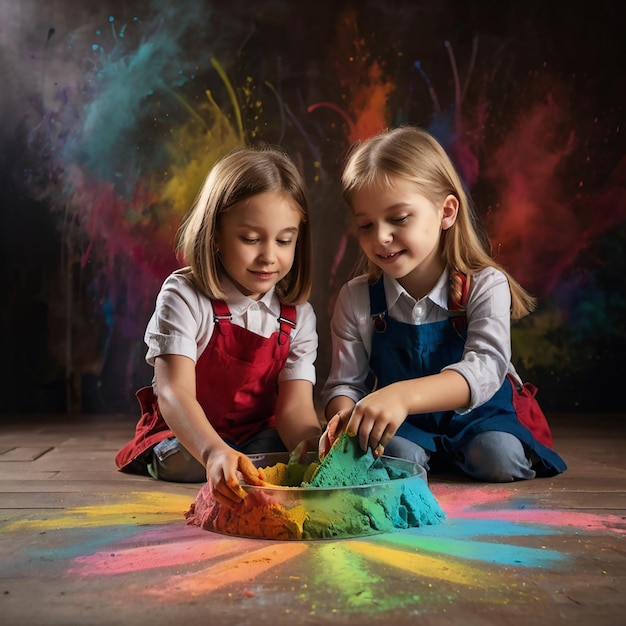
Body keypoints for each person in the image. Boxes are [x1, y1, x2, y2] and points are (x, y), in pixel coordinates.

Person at [320, 126, 566, 482]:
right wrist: (345, 419)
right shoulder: (356, 298)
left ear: (446, 212)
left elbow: (485, 369)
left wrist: (402, 394)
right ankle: (428, 458)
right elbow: (345, 384)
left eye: (399, 218)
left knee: (498, 457)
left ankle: (456, 455)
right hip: (407, 425)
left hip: (482, 416)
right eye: (365, 225)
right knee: (396, 457)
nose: (381, 237)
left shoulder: (485, 285)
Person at [116, 146, 322, 505]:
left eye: (284, 240)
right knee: (185, 463)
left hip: (254, 437)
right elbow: (173, 393)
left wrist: (312, 450)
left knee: (276, 458)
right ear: (215, 235)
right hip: (185, 435)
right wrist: (212, 452)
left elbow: (295, 409)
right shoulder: (183, 295)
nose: (269, 256)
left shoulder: (297, 315)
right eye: (251, 239)